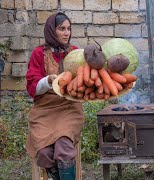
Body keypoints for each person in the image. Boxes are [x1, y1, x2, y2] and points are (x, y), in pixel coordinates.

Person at [25, 12, 83, 180]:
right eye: (61, 29)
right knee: (44, 152)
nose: (67, 33)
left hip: (69, 108)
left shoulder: (74, 53)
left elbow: (84, 80)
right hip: (44, 110)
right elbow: (31, 87)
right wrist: (48, 81)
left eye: (69, 29)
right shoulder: (38, 54)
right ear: (52, 30)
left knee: (63, 145)